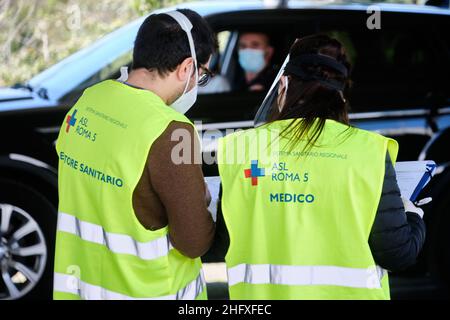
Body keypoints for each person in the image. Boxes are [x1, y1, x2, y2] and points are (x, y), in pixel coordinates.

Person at [217, 35, 426, 300]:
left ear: (284, 83)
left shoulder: (240, 149)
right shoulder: (368, 151)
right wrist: (413, 215)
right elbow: (398, 253)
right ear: (341, 95)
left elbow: (222, 242)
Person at [53, 9, 217, 300]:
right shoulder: (170, 131)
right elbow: (193, 242)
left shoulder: (89, 100)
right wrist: (203, 200)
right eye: (201, 76)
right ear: (187, 67)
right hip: (149, 291)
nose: (195, 85)